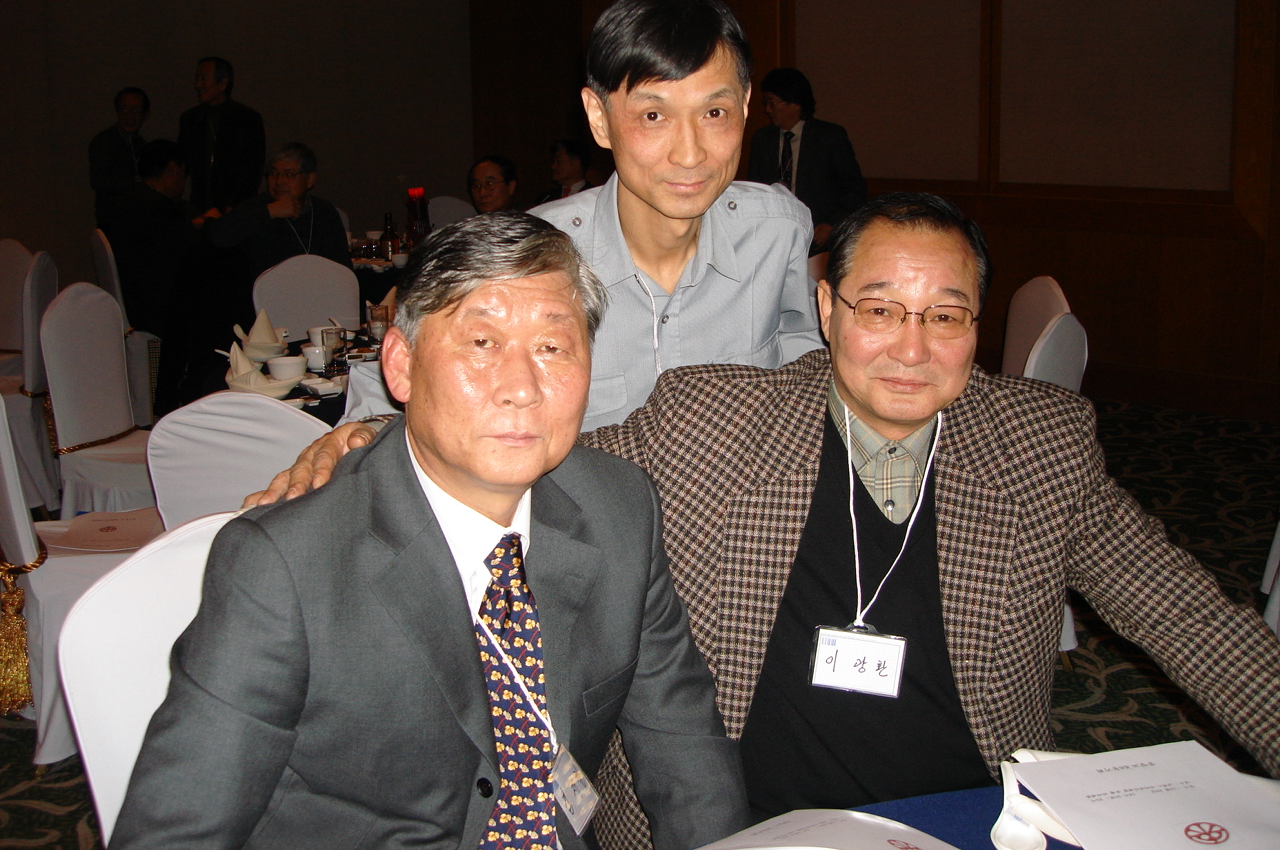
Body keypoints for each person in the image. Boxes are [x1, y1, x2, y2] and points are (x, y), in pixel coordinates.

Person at [267, 194, 1280, 850]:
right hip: (741, 823)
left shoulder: (1037, 445)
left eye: (946, 315)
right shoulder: (714, 418)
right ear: (827, 309)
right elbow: (530, 455)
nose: (911, 346)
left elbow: (1190, 617)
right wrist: (375, 441)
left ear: (976, 326)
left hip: (958, 817)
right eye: (879, 308)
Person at [113, 213, 748, 850]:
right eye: (482, 343)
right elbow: (176, 833)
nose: (522, 388)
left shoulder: (619, 510)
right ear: (401, 365)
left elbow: (686, 750)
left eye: (553, 348)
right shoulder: (286, 565)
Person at [343, 0, 823, 432]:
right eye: (653, 115)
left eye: (714, 113)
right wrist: (358, 435)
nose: (690, 153)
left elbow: (808, 366)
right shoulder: (529, 255)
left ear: (744, 106)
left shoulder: (776, 231)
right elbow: (391, 385)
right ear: (598, 118)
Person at [97, 139, 212, 336]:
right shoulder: (159, 208)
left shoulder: (127, 201)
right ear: (173, 169)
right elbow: (193, 248)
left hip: (133, 301)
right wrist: (211, 223)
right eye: (183, 174)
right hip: (155, 313)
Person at [746, 67, 867, 251]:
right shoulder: (763, 139)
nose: (767, 110)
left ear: (794, 103)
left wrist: (831, 224)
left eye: (772, 102)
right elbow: (755, 189)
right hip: (773, 238)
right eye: (765, 103)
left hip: (818, 238)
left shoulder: (829, 137)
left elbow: (854, 189)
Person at [208, 142, 351, 280]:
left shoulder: (324, 211)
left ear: (309, 179)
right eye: (273, 173)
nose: (279, 181)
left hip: (319, 289)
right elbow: (218, 236)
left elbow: (343, 267)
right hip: (265, 292)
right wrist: (269, 212)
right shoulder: (256, 207)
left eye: (289, 174)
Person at [177, 56, 266, 213]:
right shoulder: (190, 119)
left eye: (203, 78)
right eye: (196, 78)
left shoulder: (246, 118)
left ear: (223, 83)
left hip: (237, 207)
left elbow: (253, 168)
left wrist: (234, 205)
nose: (197, 85)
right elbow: (182, 164)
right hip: (200, 206)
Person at [89, 86, 149, 220]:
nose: (130, 116)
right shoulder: (104, 142)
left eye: (136, 110)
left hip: (137, 217)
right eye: (124, 110)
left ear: (146, 114)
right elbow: (99, 181)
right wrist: (137, 184)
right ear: (117, 112)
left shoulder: (142, 145)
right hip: (113, 217)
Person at [535, 139, 592, 204]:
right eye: (554, 161)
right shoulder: (545, 199)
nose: (553, 166)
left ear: (576, 164)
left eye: (559, 161)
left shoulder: (594, 196)